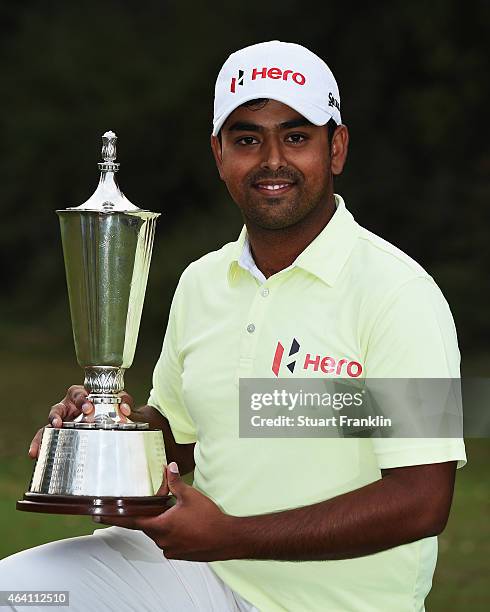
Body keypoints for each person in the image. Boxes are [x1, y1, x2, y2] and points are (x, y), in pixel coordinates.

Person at [0, 40, 466, 612]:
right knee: (19, 594)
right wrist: (105, 428)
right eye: (247, 139)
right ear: (219, 155)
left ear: (336, 148)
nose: (272, 160)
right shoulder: (202, 281)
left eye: (296, 137)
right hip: (199, 575)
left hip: (332, 602)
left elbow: (422, 500)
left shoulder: (398, 293)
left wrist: (233, 536)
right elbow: (178, 434)